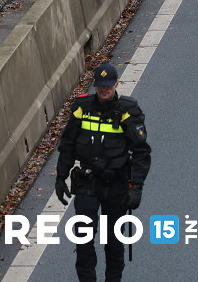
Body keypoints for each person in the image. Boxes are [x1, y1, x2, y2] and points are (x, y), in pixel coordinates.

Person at [55, 63, 150, 282]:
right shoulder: (82, 108)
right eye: (100, 86)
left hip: (116, 185)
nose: (104, 90)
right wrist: (61, 176)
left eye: (108, 86)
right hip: (88, 182)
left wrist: (136, 187)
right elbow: (67, 145)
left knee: (113, 242)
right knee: (83, 238)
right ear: (95, 86)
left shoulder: (127, 111)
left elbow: (141, 152)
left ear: (117, 84)